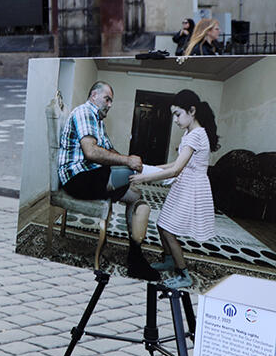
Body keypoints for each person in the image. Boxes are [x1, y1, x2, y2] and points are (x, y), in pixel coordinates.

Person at [58, 81, 157, 280]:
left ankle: (135, 258)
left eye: (111, 100)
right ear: (94, 96)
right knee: (132, 182)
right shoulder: (84, 112)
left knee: (138, 199)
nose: (110, 104)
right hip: (78, 179)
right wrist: (127, 161)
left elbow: (110, 152)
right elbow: (91, 152)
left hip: (93, 175)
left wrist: (127, 163)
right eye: (107, 99)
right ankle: (136, 261)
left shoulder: (98, 121)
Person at [129, 90, 220, 289]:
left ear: (192, 111)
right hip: (185, 184)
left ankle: (183, 273)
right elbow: (175, 164)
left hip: (191, 188)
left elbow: (177, 170)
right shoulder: (192, 133)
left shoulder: (196, 135)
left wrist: (145, 178)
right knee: (162, 224)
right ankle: (169, 259)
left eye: (178, 114)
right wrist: (149, 167)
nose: (176, 120)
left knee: (169, 231)